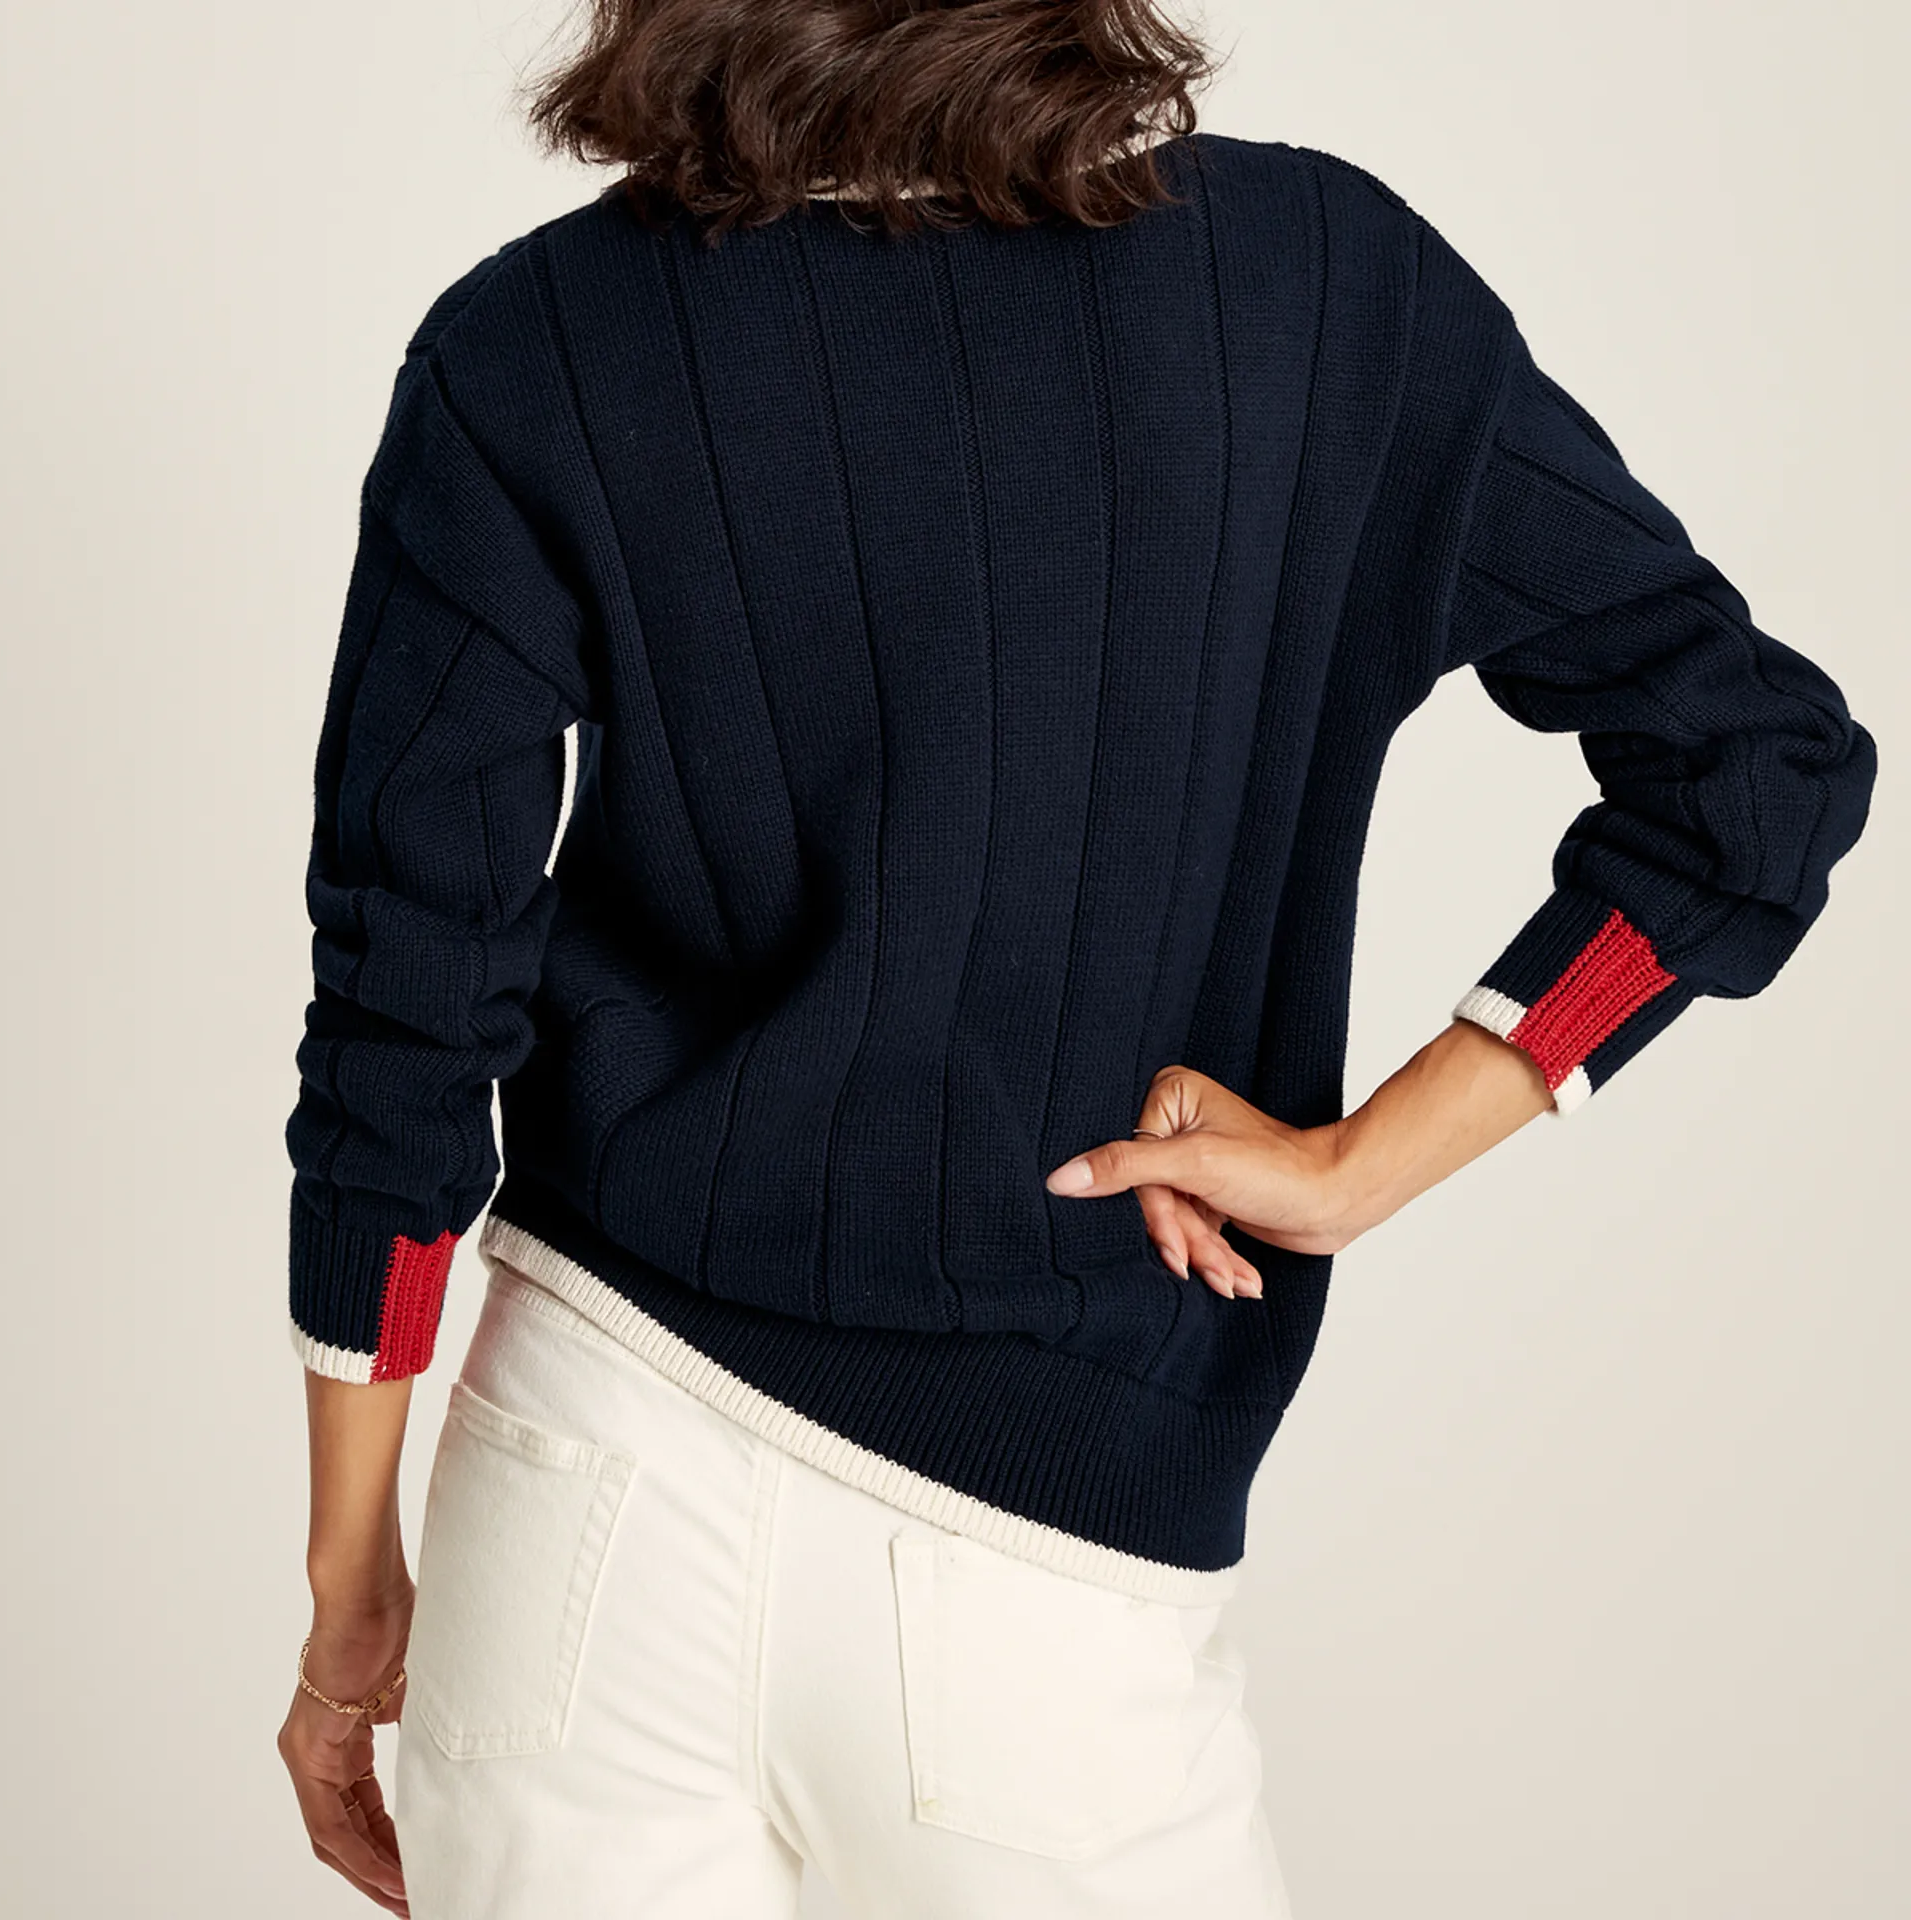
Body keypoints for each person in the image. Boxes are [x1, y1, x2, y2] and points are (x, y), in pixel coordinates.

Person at [273, 3, 1877, 1915]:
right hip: (1039, 1566)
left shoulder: (535, 340)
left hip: (584, 1488)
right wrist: (1361, 1165)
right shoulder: (1324, 290)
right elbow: (1755, 775)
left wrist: (352, 1586)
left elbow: (406, 1006)